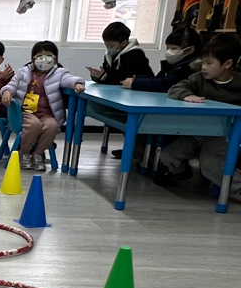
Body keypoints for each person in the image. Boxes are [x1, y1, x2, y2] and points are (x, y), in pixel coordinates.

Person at [154, 33, 241, 192]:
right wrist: (187, 95)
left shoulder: (238, 83)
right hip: (197, 133)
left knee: (210, 165)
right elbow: (175, 88)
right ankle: (181, 172)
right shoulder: (198, 79)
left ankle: (236, 188)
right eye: (203, 62)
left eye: (209, 63)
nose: (204, 67)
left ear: (227, 64)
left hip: (224, 136)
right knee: (167, 155)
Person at [1, 40, 85, 172]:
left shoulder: (59, 73)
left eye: (48, 55)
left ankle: (38, 153)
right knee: (34, 125)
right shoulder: (24, 72)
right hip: (26, 112)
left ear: (55, 60)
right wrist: (6, 91)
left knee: (52, 127)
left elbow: (69, 79)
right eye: (40, 56)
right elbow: (12, 84)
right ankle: (24, 153)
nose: (44, 59)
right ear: (33, 59)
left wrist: (77, 83)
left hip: (47, 114)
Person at [121, 27, 201, 93]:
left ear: (189, 50)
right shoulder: (174, 64)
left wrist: (136, 83)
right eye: (168, 48)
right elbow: (159, 79)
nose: (169, 52)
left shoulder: (192, 66)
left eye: (173, 48)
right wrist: (137, 78)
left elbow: (168, 84)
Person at [87, 21, 154, 86]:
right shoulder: (109, 55)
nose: (108, 48)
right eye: (106, 45)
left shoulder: (135, 55)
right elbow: (107, 77)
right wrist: (97, 76)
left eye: (111, 46)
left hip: (142, 89)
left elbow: (122, 79)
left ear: (124, 43)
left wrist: (103, 76)